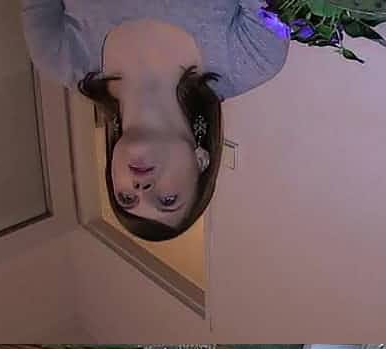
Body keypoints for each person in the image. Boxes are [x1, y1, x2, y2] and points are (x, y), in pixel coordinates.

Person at [21, 0, 289, 241]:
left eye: (126, 198)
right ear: (201, 162)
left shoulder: (58, 57)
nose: (141, 189)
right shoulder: (254, 59)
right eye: (167, 200)